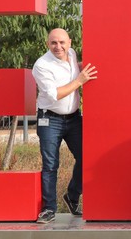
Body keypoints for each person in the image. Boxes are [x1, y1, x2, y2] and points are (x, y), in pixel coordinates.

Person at [31, 28, 97, 223]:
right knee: (51, 165)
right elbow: (55, 94)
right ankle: (49, 208)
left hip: (74, 118)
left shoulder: (72, 54)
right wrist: (79, 81)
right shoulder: (41, 65)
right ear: (47, 44)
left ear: (69, 42)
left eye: (62, 42)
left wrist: (84, 69)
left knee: (86, 157)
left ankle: (72, 196)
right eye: (53, 43)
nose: (58, 47)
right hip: (49, 119)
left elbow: (74, 69)